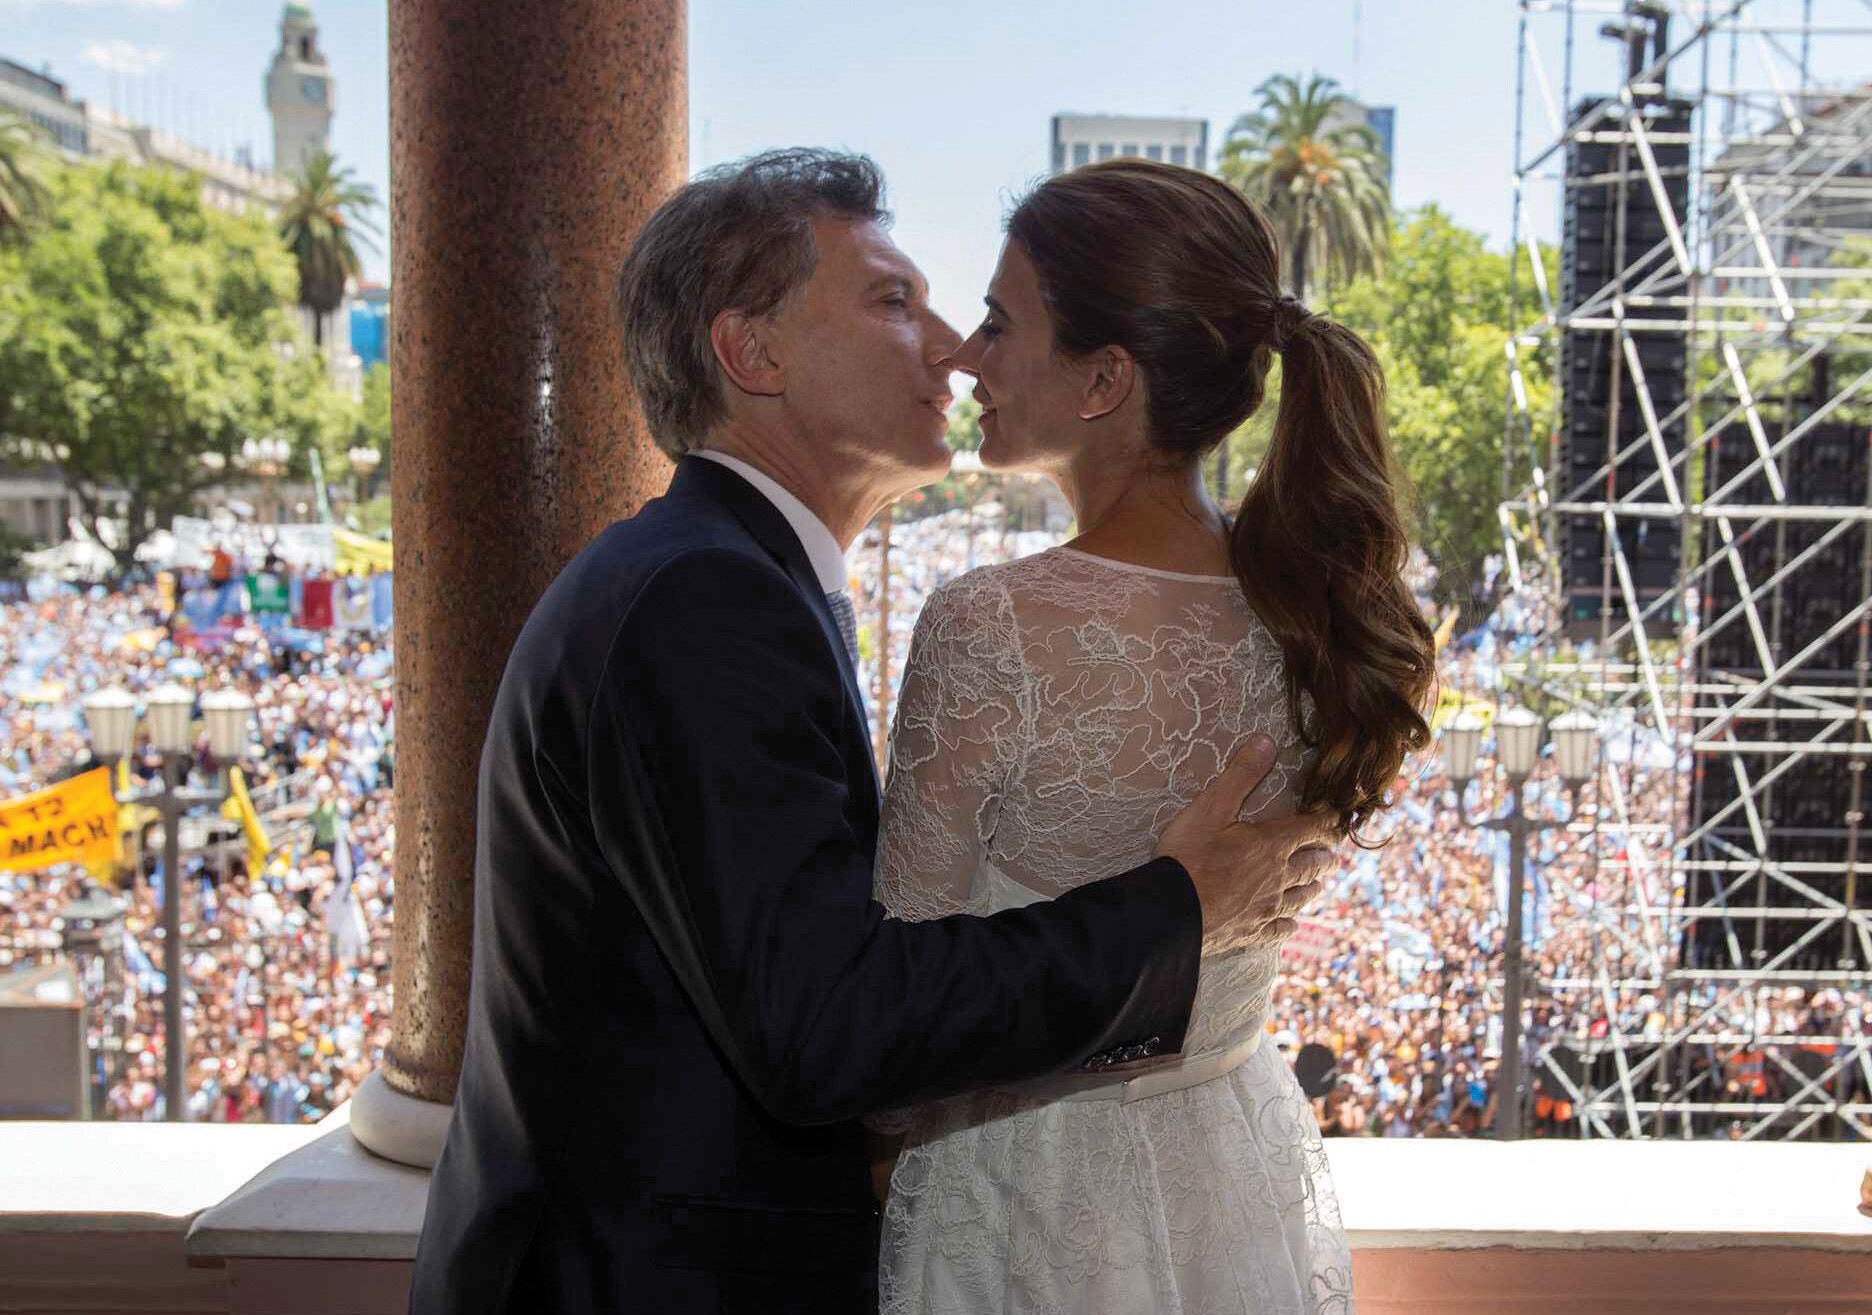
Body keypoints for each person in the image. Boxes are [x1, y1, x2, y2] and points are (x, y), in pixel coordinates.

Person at [408, 150, 1339, 1315]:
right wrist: (1174, 911)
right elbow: (822, 1025)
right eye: (895, 301)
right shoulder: (703, 599)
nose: (950, 348)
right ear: (752, 353)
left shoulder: (725, 576)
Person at [871, 160, 1437, 1314]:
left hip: (1025, 1191)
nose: (966, 356)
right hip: (1231, 1166)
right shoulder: (1312, 609)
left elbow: (900, 1013)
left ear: (1103, 379)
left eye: (997, 321)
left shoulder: (990, 624)